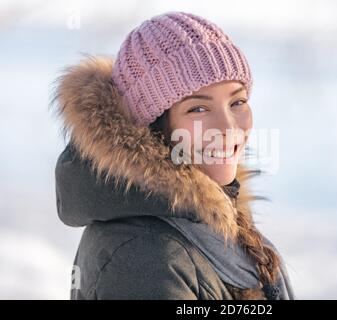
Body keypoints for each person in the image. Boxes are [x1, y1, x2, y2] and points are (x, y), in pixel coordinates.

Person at [52, 11, 294, 300]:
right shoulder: (144, 256)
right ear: (154, 128)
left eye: (238, 101)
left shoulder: (212, 221)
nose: (228, 127)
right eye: (198, 109)